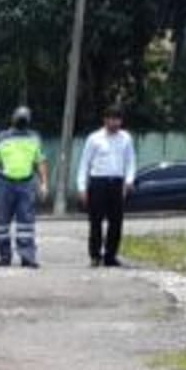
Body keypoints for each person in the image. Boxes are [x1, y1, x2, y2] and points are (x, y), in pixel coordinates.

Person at [0, 106, 49, 268]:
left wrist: (43, 183)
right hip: (5, 183)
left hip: (26, 183)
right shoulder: (1, 138)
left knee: (26, 223)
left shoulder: (34, 138)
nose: (22, 120)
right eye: (20, 117)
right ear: (13, 119)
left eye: (25, 117)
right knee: (2, 223)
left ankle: (27, 257)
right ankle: (4, 256)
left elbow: (40, 162)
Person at [76, 105, 136, 268]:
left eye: (118, 120)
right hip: (98, 182)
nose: (115, 123)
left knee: (116, 221)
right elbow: (84, 164)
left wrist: (129, 180)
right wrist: (82, 187)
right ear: (105, 120)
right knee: (96, 221)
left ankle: (111, 256)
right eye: (112, 119)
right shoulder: (94, 138)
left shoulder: (126, 138)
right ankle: (95, 255)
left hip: (117, 183)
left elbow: (130, 161)